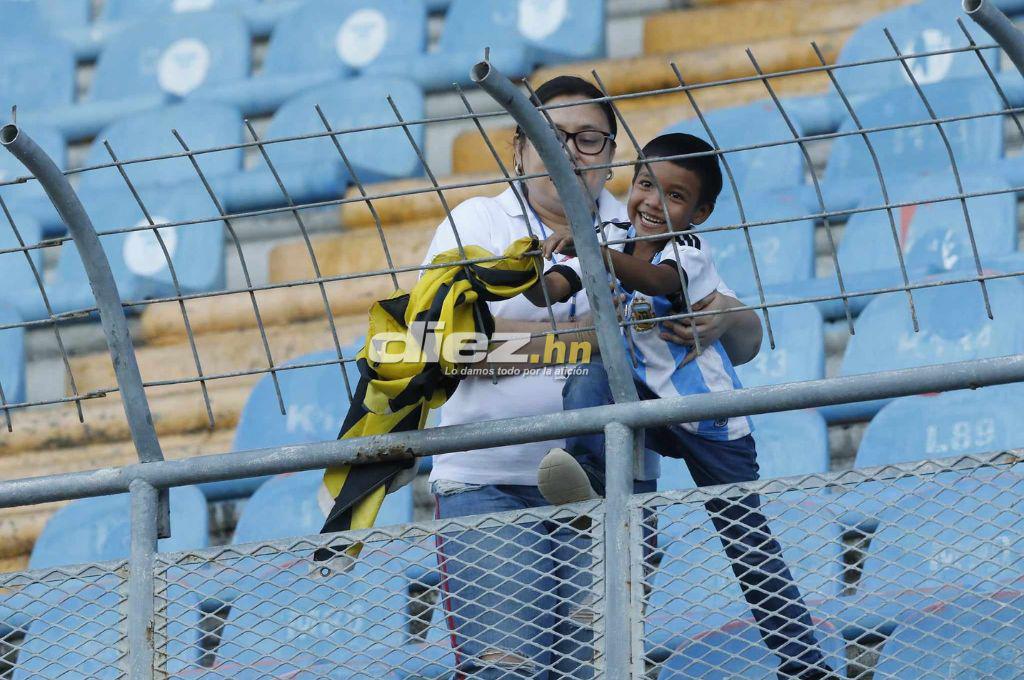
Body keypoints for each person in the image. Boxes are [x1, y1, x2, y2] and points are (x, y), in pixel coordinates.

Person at [422, 76, 763, 679]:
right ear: (519, 147)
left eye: (589, 139)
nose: (570, 152)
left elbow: (747, 339)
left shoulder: (641, 219)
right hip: (490, 481)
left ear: (610, 155)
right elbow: (430, 347)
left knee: (596, 672)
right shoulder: (475, 225)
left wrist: (725, 316)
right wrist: (589, 342)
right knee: (509, 671)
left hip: (615, 486)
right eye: (552, 136)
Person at [527, 132, 833, 679]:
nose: (651, 202)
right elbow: (551, 289)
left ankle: (804, 663)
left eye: (673, 196)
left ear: (699, 212)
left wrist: (590, 251)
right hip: (642, 401)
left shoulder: (688, 251)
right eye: (646, 184)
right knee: (588, 370)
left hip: (704, 415)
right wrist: (532, 265)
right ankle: (588, 475)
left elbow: (658, 281)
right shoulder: (609, 235)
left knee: (747, 540)